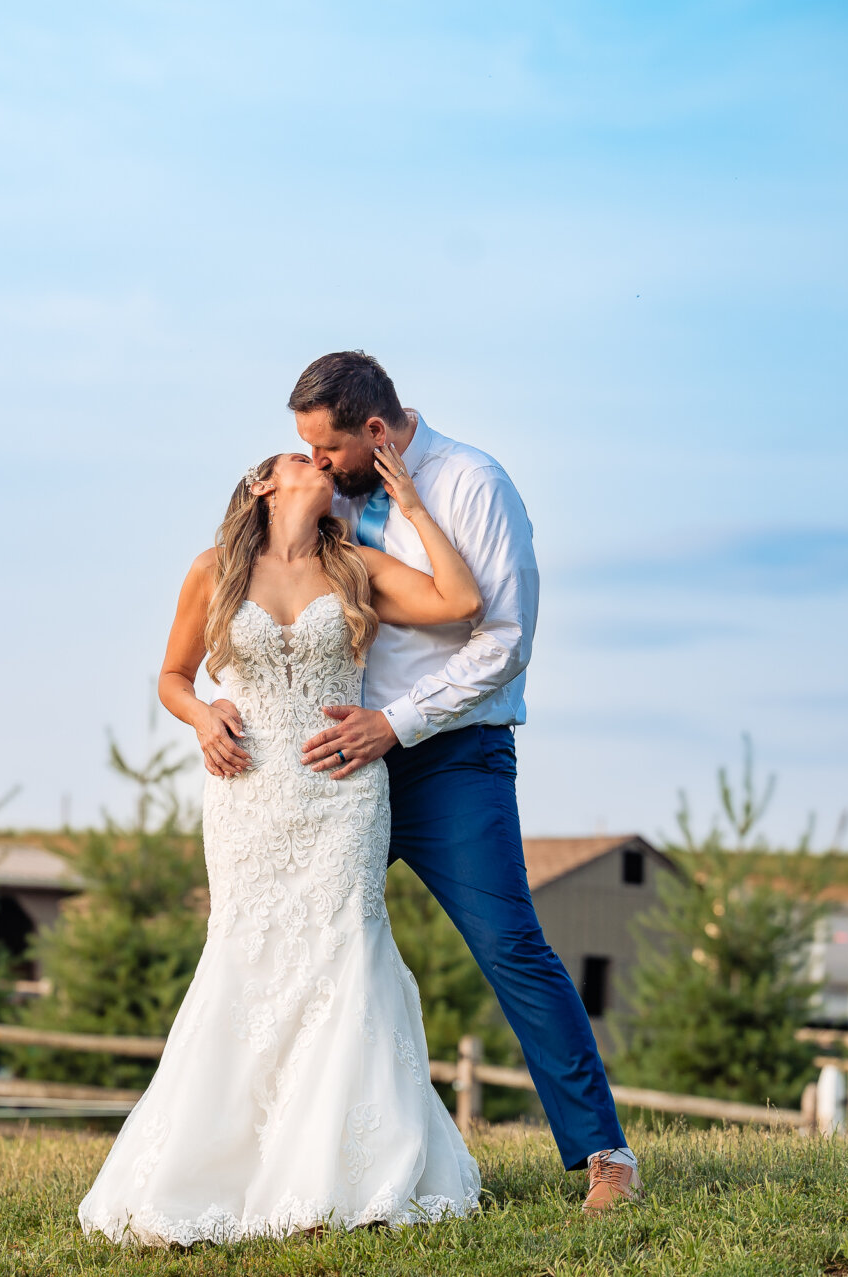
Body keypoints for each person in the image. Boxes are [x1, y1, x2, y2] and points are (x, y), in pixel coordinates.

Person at [79, 441, 485, 1246]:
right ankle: (221, 1166)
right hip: (248, 796)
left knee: (343, 958)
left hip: (343, 796)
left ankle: (343, 1174)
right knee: (248, 957)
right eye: (300, 458)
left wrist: (410, 503)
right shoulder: (213, 569)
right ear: (264, 483)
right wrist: (202, 716)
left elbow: (460, 600)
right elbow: (172, 674)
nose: (321, 463)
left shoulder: (357, 568)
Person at [285, 350, 640, 1213]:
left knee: (510, 945)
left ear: (376, 430)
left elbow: (505, 641)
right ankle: (297, 1156)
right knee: (299, 946)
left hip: (451, 761)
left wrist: (397, 722)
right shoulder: (331, 500)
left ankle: (606, 1155)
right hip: (342, 762)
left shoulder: (475, 484)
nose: (318, 466)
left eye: (327, 449)